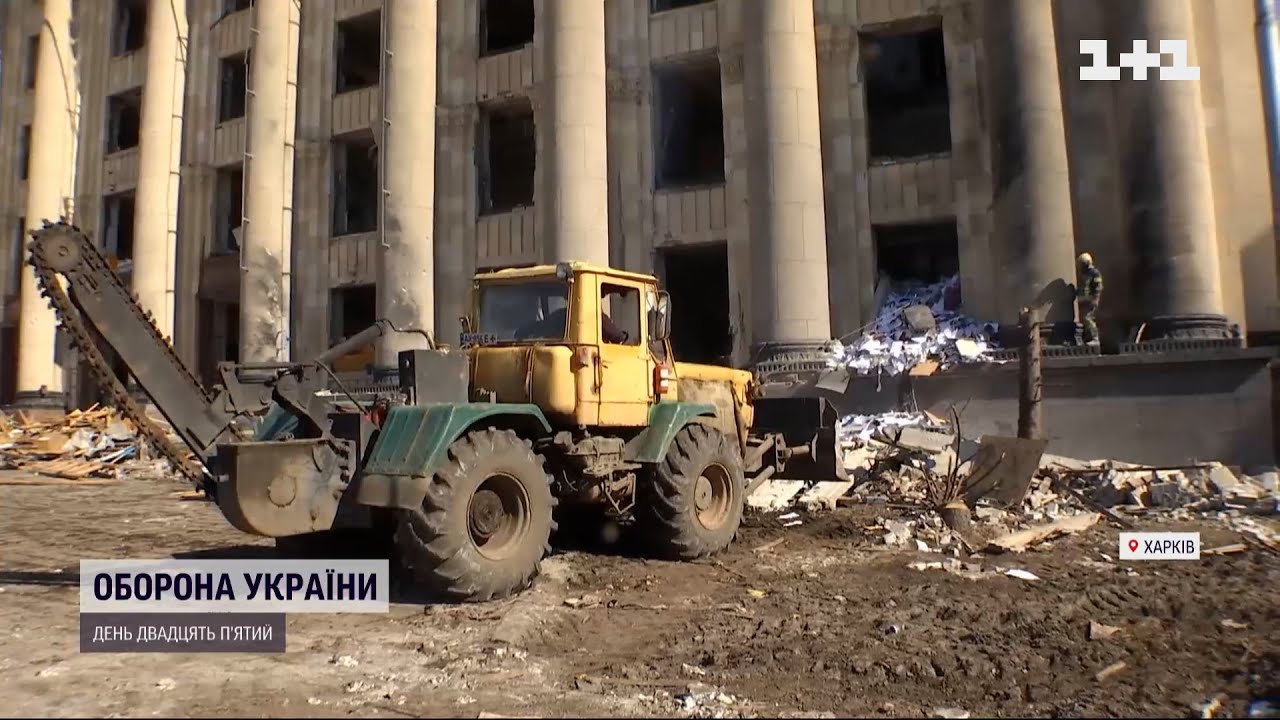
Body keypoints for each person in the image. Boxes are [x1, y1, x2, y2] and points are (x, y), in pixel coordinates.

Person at [1076, 252, 1104, 345]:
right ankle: (1086, 338)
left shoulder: (1094, 273)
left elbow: (1098, 287)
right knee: (1083, 319)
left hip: (1090, 300)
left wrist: (1095, 299)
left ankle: (1095, 338)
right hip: (1084, 300)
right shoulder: (1085, 273)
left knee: (1087, 318)